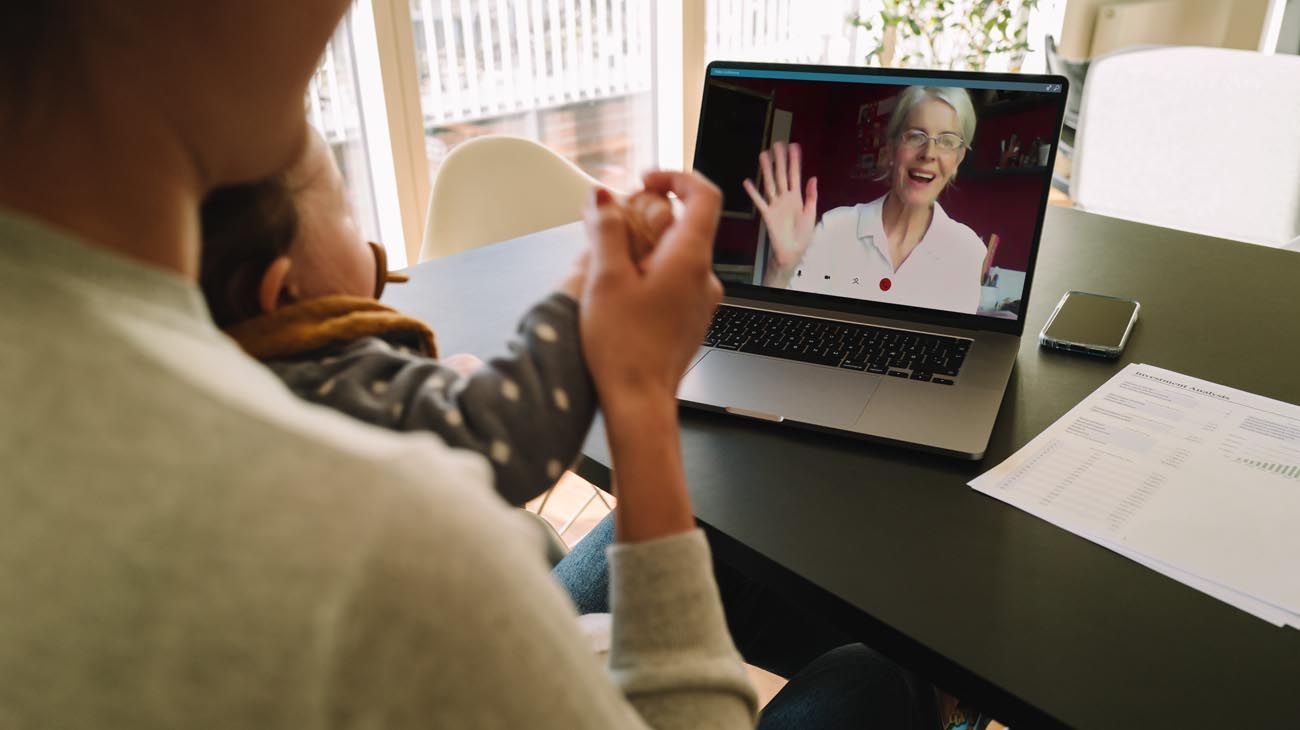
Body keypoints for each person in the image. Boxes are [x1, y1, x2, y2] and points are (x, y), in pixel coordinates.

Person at [0, 3, 948, 728]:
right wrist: (636, 392)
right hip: (521, 646)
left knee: (734, 564)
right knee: (880, 674)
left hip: (513, 619)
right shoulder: (382, 531)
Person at [199, 127, 596, 507]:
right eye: (349, 218)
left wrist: (439, 394)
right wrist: (580, 292)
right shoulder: (334, 383)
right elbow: (519, 436)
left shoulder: (228, 382)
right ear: (284, 290)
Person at [745, 86, 987, 314]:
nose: (929, 154)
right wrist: (780, 266)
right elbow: (780, 326)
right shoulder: (834, 227)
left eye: (947, 141)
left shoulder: (968, 251)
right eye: (916, 136)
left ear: (958, 159)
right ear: (891, 148)